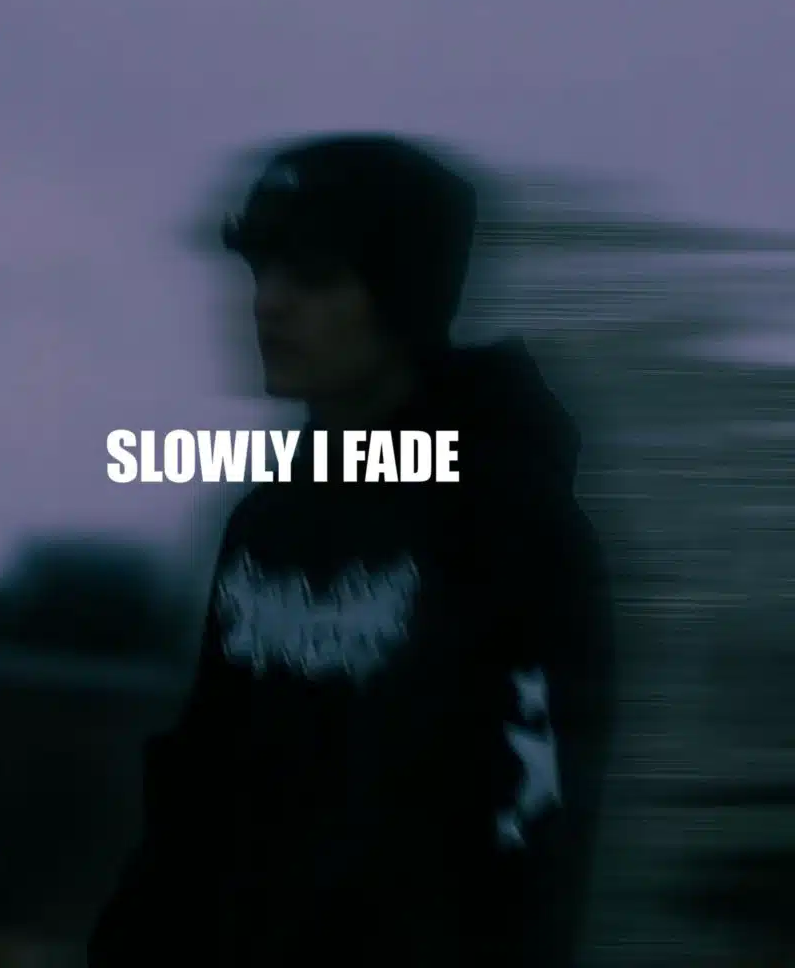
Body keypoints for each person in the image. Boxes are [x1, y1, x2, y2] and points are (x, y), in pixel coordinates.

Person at [88, 133, 615, 966]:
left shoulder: (509, 528)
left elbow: (533, 829)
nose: (268, 304)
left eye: (313, 277)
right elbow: (196, 796)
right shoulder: (266, 523)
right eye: (260, 270)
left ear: (405, 298)